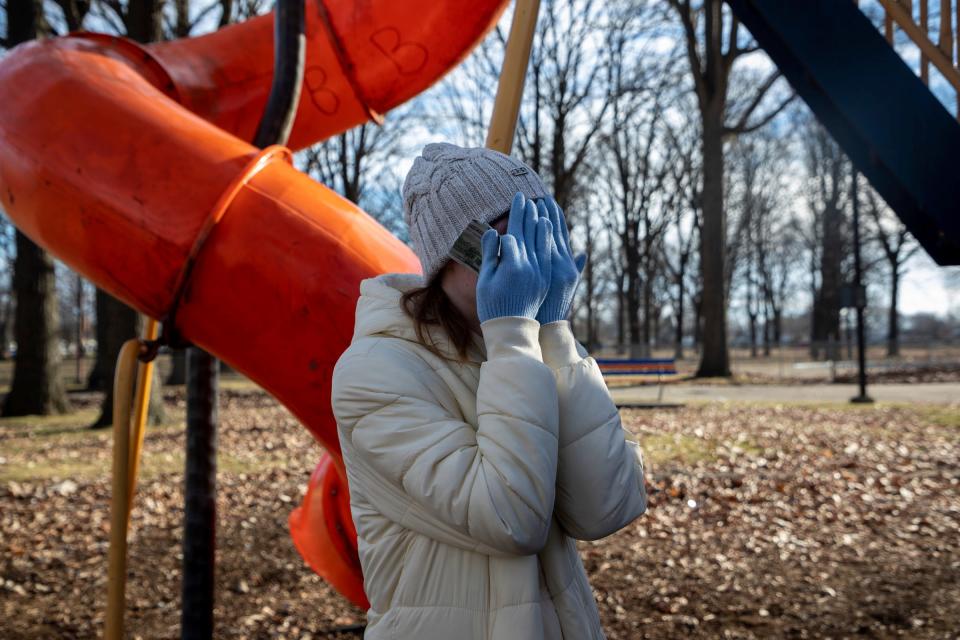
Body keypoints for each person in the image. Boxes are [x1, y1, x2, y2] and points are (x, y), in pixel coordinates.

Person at [332, 142, 647, 639]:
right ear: (450, 257)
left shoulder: (520, 342)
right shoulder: (374, 372)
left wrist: (555, 333)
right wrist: (513, 332)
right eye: (506, 241)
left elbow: (605, 507)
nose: (530, 262)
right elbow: (509, 518)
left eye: (540, 236)